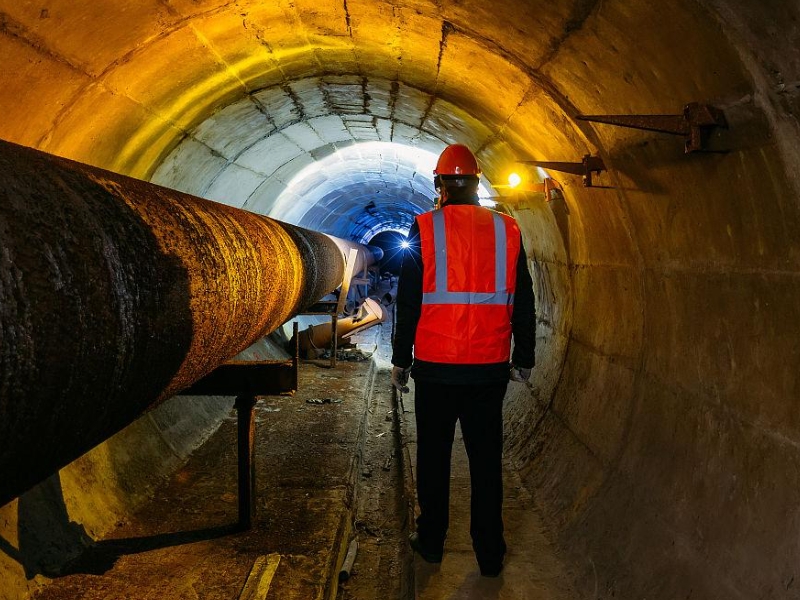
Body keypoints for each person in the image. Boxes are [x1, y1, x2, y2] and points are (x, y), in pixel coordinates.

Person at [391, 143, 536, 577]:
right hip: (488, 369)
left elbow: (409, 299)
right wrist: (524, 355)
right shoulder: (507, 230)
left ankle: (432, 542)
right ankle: (490, 553)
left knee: (434, 459)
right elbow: (524, 300)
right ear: (476, 183)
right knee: (486, 462)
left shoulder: (425, 227)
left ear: (440, 185)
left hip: (435, 368)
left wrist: (401, 357)